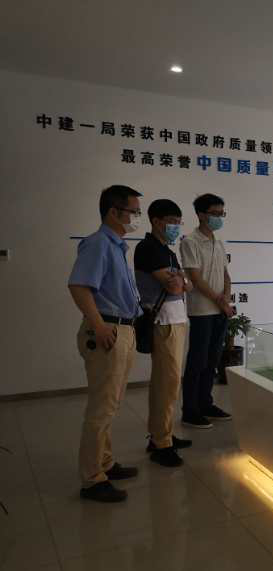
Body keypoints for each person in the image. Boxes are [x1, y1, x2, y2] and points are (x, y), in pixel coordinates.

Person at [68, 185, 143, 503]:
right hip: (107, 331)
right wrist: (98, 325)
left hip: (122, 329)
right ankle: (92, 479)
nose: (136, 217)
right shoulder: (99, 243)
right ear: (114, 212)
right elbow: (79, 286)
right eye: (133, 212)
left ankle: (105, 462)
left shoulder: (117, 246)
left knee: (111, 403)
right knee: (101, 408)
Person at [134, 199, 193, 467]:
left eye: (179, 222)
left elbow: (184, 282)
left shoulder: (166, 250)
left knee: (168, 382)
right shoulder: (148, 248)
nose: (176, 227)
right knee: (166, 383)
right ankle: (161, 442)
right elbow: (175, 286)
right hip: (164, 321)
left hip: (175, 320)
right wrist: (180, 281)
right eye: (172, 222)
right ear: (156, 221)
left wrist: (180, 280)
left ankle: (162, 433)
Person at [180, 194, 233, 429]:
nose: (219, 218)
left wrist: (226, 298)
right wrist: (219, 300)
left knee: (212, 360)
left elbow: (226, 275)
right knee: (198, 361)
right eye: (215, 213)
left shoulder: (218, 242)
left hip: (220, 310)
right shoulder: (190, 241)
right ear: (201, 214)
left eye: (222, 213)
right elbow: (195, 278)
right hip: (202, 310)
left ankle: (206, 403)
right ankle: (190, 410)